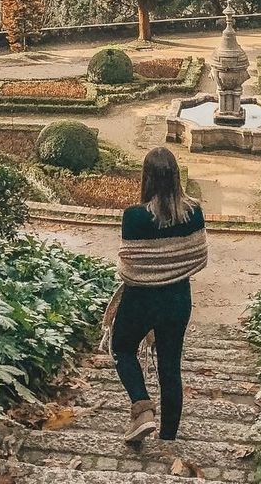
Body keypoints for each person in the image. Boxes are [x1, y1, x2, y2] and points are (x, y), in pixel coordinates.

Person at [100, 146, 208, 445]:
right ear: (175, 176)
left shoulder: (133, 216)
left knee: (122, 348)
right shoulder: (194, 211)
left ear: (146, 177)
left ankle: (142, 407)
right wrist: (170, 270)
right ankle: (168, 438)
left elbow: (127, 264)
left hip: (140, 299)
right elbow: (198, 257)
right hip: (177, 299)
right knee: (170, 366)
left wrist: (150, 272)